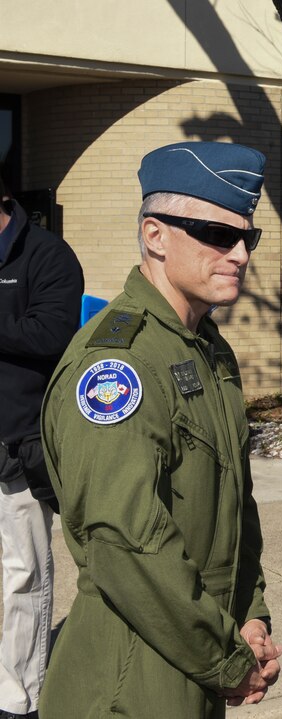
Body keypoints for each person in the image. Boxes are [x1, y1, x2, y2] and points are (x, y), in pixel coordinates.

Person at [39, 142, 282, 719]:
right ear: (155, 235)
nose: (240, 254)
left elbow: (234, 510)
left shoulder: (207, 349)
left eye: (248, 237)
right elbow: (126, 544)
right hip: (130, 679)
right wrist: (227, 658)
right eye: (217, 235)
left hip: (195, 655)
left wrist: (251, 615)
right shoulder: (118, 367)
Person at [0, 172, 83, 719]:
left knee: (21, 578)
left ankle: (19, 699)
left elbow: (51, 333)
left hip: (18, 449)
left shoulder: (48, 255)